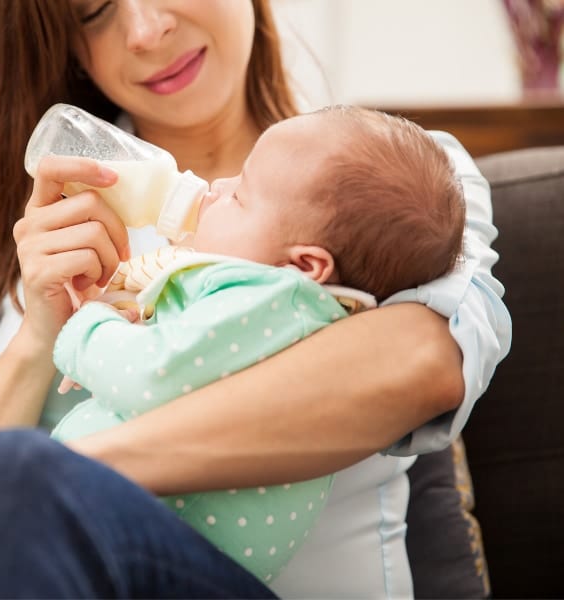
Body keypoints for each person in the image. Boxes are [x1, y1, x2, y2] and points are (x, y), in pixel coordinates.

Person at [0, 1, 510, 598]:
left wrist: (64, 468)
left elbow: (418, 362)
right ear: (66, 49)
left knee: (14, 478)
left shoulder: (400, 178)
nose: (145, 29)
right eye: (94, 10)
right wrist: (40, 332)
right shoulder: (10, 245)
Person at [49, 105, 466, 584]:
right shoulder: (297, 317)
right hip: (144, 539)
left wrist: (90, 326)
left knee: (1, 472)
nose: (218, 187)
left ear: (305, 266)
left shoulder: (269, 299)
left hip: (159, 553)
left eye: (241, 196)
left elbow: (152, 377)